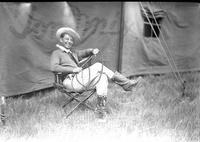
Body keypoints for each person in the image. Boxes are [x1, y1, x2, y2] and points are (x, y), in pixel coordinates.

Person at [50, 27, 142, 121]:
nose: (69, 41)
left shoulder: (73, 53)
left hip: (79, 80)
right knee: (98, 65)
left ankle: (100, 112)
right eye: (66, 39)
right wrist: (72, 70)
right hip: (69, 81)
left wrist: (92, 51)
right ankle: (125, 83)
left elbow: (84, 52)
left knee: (102, 77)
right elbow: (54, 67)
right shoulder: (56, 53)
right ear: (61, 40)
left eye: (71, 40)